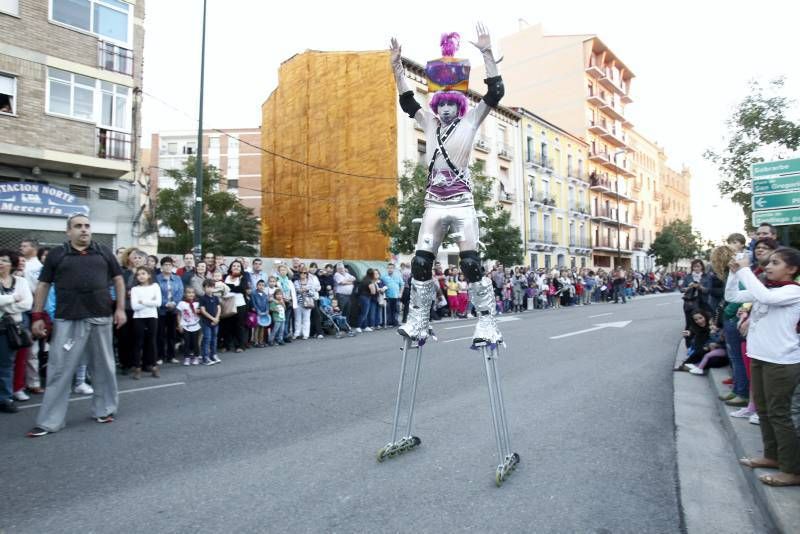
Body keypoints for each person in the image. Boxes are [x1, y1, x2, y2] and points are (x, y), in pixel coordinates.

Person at [391, 26, 505, 345]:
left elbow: (496, 93)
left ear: (458, 106)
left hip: (461, 202)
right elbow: (407, 101)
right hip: (433, 203)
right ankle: (418, 320)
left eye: (450, 104)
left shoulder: (470, 122)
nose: (443, 109)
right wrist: (397, 69)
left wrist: (486, 53)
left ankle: (486, 323)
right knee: (420, 262)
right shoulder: (428, 123)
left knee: (469, 262)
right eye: (440, 104)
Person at [26, 214, 125, 437]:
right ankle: (50, 421)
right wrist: (37, 315)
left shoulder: (103, 251)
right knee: (59, 370)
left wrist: (119, 309)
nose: (84, 230)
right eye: (78, 226)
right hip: (67, 318)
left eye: (87, 226)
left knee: (104, 368)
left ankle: (104, 410)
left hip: (100, 317)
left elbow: (118, 279)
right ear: (68, 231)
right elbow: (43, 285)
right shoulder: (57, 254)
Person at [727, 247, 800, 487]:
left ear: (792, 269)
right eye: (767, 262)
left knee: (780, 414)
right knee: (765, 410)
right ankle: (772, 456)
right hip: (759, 356)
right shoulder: (766, 289)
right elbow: (732, 297)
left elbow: (766, 299)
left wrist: (746, 269)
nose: (768, 266)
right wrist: (734, 273)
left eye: (775, 263)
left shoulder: (792, 291)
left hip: (781, 361)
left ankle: (791, 469)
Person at [0, 249, 33, 413]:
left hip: (11, 329)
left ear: (12, 264)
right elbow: (19, 301)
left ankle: (5, 398)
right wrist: (12, 298)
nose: (1, 263)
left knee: (7, 365)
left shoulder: (21, 281)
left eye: (5, 260)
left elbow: (27, 304)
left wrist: (3, 305)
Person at [130, 266, 160, 379]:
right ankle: (137, 368)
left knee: (151, 342)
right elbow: (134, 306)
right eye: (138, 274)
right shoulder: (135, 289)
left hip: (152, 316)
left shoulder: (155, 286)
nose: (141, 276)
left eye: (143, 273)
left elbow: (158, 302)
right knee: (138, 343)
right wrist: (149, 301)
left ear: (149, 275)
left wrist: (142, 301)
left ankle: (154, 366)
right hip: (138, 318)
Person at [155, 256, 183, 364]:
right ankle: (160, 356)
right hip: (161, 309)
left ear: (172, 266)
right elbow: (156, 293)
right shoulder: (157, 278)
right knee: (160, 334)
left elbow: (180, 292)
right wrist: (165, 303)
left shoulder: (177, 278)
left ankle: (171, 356)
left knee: (172, 334)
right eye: (165, 265)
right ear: (161, 267)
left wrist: (174, 303)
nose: (167, 267)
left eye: (169, 265)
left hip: (173, 309)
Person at [222, 260, 249, 352]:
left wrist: (227, 286)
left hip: (240, 305)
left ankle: (240, 345)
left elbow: (241, 289)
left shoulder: (243, 277)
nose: (236, 267)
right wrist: (232, 287)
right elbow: (221, 287)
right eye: (234, 266)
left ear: (241, 268)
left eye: (238, 266)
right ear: (230, 268)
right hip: (227, 304)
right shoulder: (225, 277)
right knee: (227, 325)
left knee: (239, 326)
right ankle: (226, 345)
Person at [198, 279, 221, 365]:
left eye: (212, 287)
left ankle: (213, 355)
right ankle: (205, 357)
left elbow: (219, 308)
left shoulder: (216, 298)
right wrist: (212, 319)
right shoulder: (202, 298)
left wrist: (217, 318)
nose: (210, 289)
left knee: (214, 339)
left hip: (215, 322)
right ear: (204, 288)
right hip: (206, 322)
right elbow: (203, 311)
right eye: (208, 287)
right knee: (207, 338)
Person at [177, 287, 202, 365]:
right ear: (185, 294)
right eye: (188, 292)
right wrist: (179, 324)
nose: (191, 294)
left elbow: (202, 314)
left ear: (194, 294)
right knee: (186, 342)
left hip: (196, 326)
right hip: (185, 326)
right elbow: (179, 315)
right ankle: (187, 357)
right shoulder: (181, 303)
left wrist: (199, 312)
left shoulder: (197, 303)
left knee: (195, 343)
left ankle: (196, 356)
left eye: (192, 293)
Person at [293, 271, 316, 340]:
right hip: (298, 303)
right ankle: (297, 333)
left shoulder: (310, 282)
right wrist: (303, 290)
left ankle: (306, 334)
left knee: (306, 319)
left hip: (307, 303)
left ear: (307, 274)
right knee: (297, 319)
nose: (303, 274)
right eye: (301, 273)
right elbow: (296, 291)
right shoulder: (296, 282)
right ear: (299, 274)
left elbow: (313, 293)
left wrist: (307, 291)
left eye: (305, 273)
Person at [251, 280, 270, 347]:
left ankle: (261, 341)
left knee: (262, 327)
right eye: (260, 285)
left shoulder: (265, 294)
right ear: (257, 286)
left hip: (264, 313)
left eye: (263, 285)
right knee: (257, 327)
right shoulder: (254, 294)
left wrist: (267, 310)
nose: (261, 286)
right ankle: (256, 342)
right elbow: (254, 303)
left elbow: (267, 303)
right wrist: (257, 311)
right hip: (258, 313)